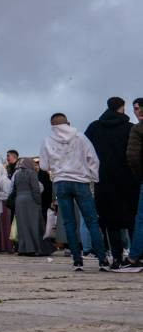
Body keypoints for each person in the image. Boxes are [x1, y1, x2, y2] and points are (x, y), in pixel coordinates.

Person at [39, 113, 108, 272]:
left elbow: (43, 166)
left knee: (69, 222)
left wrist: (56, 167)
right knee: (92, 221)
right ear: (68, 123)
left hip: (61, 183)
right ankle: (102, 260)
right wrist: (93, 179)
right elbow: (93, 159)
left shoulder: (47, 140)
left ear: (52, 125)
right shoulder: (81, 137)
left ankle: (77, 262)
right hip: (81, 182)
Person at [84, 97, 139, 268]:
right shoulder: (130, 128)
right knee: (132, 219)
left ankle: (115, 257)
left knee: (110, 221)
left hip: (104, 180)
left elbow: (85, 150)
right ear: (122, 108)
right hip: (128, 179)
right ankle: (135, 256)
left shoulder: (94, 127)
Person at [117, 98, 143, 272]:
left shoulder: (138, 128)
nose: (137, 111)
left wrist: (139, 174)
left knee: (141, 219)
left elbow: (132, 156)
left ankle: (133, 257)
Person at [8, 156, 43, 256]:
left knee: (22, 225)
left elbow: (14, 188)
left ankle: (23, 249)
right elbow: (35, 189)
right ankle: (33, 248)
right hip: (30, 200)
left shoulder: (17, 174)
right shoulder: (32, 173)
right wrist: (38, 202)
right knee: (32, 225)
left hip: (19, 201)